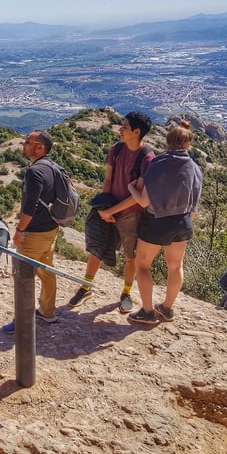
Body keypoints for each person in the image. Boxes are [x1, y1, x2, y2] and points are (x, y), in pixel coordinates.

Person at [69, 112, 155, 313]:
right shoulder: (116, 149)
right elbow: (108, 179)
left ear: (136, 131)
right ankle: (86, 286)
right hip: (109, 208)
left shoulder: (148, 158)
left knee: (130, 255)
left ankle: (126, 292)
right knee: (97, 248)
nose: (120, 129)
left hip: (132, 214)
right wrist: (105, 208)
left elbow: (138, 196)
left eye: (125, 127)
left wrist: (112, 211)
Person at [126, 121, 203, 325]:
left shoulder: (157, 164)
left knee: (142, 267)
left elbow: (143, 200)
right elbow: (194, 207)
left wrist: (131, 187)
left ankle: (148, 312)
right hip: (183, 222)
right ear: (188, 144)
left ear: (167, 142)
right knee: (176, 266)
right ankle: (167, 309)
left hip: (157, 223)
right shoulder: (195, 168)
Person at [3, 130, 61, 332]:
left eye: (28, 142)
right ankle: (48, 312)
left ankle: (23, 321)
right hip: (52, 229)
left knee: (23, 275)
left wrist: (19, 230)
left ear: (40, 147)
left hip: (35, 233)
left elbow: (30, 206)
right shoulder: (53, 167)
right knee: (46, 270)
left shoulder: (34, 171)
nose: (24, 145)